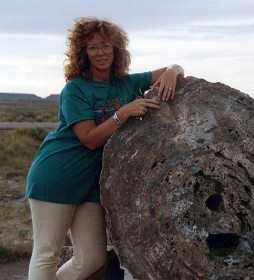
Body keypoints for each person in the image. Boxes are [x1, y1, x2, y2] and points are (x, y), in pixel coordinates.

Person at [25, 17, 184, 279]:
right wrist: (123, 113)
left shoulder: (126, 83)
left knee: (91, 258)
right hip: (56, 176)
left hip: (92, 183)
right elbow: (89, 139)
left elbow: (170, 69)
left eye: (106, 46)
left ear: (116, 49)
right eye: (92, 47)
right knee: (47, 255)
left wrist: (173, 70)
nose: (100, 52)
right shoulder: (75, 89)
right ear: (83, 54)